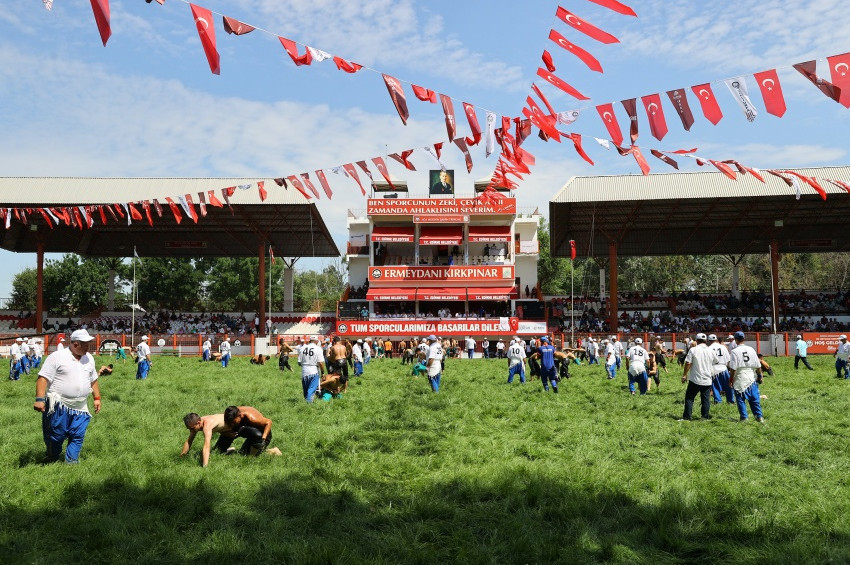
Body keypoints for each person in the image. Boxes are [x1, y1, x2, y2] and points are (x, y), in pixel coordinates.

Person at [33, 329, 102, 464]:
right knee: (56, 436)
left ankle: (71, 463)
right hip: (59, 405)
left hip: (80, 406)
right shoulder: (57, 356)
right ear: (75, 344)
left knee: (78, 435)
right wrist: (39, 400)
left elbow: (93, 379)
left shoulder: (89, 358)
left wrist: (97, 398)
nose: (89, 346)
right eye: (85, 344)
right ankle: (52, 457)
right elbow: (43, 378)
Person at [728, 331, 765, 422]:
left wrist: (731, 380)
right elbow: (758, 366)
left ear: (736, 340)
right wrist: (760, 376)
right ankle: (759, 416)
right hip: (751, 375)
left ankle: (744, 417)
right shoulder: (751, 349)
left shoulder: (734, 351)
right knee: (754, 397)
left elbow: (733, 368)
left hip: (740, 375)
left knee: (740, 398)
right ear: (744, 339)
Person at [680, 333, 714, 421]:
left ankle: (687, 417)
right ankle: (704, 417)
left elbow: (688, 363)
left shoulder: (693, 350)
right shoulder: (711, 350)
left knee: (689, 398)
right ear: (706, 340)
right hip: (707, 379)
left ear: (697, 340)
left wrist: (684, 375)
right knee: (705, 399)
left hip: (695, 378)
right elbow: (715, 361)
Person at [707, 334, 734, 404]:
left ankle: (718, 400)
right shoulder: (723, 347)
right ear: (716, 340)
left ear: (709, 340)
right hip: (723, 367)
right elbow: (728, 359)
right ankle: (731, 400)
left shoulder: (708, 348)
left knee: (715, 386)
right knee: (728, 385)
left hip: (713, 368)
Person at [299, 335, 326, 402]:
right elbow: (321, 363)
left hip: (304, 370)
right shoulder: (318, 349)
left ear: (309, 340)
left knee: (306, 389)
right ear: (316, 341)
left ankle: (305, 403)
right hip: (313, 370)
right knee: (311, 390)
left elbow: (299, 362)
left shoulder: (302, 348)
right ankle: (308, 406)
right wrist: (323, 372)